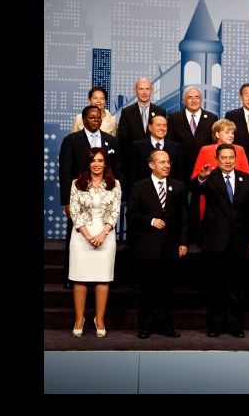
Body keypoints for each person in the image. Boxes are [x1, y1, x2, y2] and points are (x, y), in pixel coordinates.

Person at [193, 144, 249, 337]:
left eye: (231, 157)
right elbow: (195, 190)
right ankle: (214, 325)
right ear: (217, 159)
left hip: (239, 241)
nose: (228, 161)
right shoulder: (209, 177)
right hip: (215, 240)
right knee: (215, 285)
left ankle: (234, 325)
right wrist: (201, 177)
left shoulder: (247, 179)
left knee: (236, 286)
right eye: (224, 158)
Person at [128, 150, 188, 339]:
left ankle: (166, 326)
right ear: (151, 165)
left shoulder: (178, 186)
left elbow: (184, 217)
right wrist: (150, 221)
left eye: (168, 162)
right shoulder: (139, 187)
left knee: (168, 289)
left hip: (170, 246)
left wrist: (183, 242)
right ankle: (145, 326)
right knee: (147, 289)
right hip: (147, 247)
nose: (167, 165)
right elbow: (131, 215)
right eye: (162, 162)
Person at [59, 105, 120, 290]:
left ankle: (103, 276)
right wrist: (66, 201)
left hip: (105, 195)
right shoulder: (71, 140)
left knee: (105, 237)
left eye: (98, 117)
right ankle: (71, 276)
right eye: (92, 117)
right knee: (75, 234)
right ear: (84, 119)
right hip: (80, 196)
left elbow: (116, 169)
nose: (95, 120)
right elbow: (65, 171)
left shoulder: (111, 140)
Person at [68, 147, 121, 338]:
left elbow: (114, 211)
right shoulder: (77, 184)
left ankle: (99, 319)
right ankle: (79, 318)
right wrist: (88, 234)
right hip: (82, 236)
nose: (97, 164)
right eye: (93, 161)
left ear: (105, 163)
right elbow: (74, 211)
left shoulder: (114, 184)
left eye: (100, 161)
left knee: (102, 278)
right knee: (80, 278)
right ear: (88, 163)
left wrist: (103, 233)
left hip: (105, 235)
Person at [190, 119, 249, 220]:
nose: (231, 135)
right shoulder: (205, 150)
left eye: (232, 133)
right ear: (217, 134)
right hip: (211, 205)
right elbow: (195, 177)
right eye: (227, 132)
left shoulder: (240, 150)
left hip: (235, 203)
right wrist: (202, 177)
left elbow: (247, 177)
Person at [166, 86, 219, 186]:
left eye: (197, 97)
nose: (194, 100)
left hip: (204, 168)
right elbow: (169, 143)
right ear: (184, 100)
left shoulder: (212, 118)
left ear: (201, 99)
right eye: (190, 97)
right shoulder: (174, 118)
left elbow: (215, 143)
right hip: (180, 168)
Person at [117, 77, 166, 175]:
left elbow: (163, 136)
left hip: (155, 164)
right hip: (133, 163)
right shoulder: (127, 112)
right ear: (135, 90)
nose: (144, 92)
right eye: (141, 89)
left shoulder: (160, 111)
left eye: (147, 89)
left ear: (151, 90)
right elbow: (123, 140)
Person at [129, 114, 184, 188]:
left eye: (165, 125)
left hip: (170, 193)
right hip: (144, 192)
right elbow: (132, 174)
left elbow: (180, 175)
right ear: (150, 127)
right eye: (158, 125)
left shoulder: (176, 147)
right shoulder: (137, 147)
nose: (162, 128)